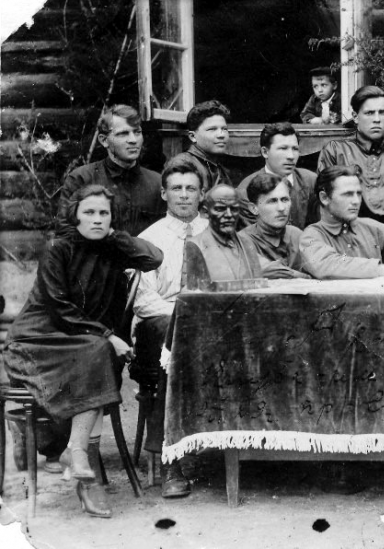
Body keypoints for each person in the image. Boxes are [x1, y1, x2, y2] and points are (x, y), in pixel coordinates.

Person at [3, 185, 163, 518]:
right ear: (75, 216)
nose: (97, 219)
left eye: (104, 213)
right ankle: (78, 457)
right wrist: (109, 335)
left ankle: (76, 454)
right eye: (89, 212)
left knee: (97, 353)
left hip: (82, 344)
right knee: (100, 350)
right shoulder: (58, 248)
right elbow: (59, 307)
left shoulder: (113, 248)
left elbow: (154, 258)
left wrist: (113, 235)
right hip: (38, 341)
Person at [132, 158, 208, 498]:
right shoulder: (148, 239)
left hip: (209, 320)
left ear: (202, 194)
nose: (184, 195)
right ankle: (169, 460)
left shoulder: (216, 233)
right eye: (176, 188)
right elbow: (143, 301)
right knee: (170, 334)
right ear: (164, 194)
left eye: (191, 188)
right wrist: (184, 316)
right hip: (164, 323)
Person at [318, 86, 384, 243]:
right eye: (369, 113)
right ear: (355, 117)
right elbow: (328, 206)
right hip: (345, 243)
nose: (377, 119)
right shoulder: (335, 150)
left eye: (382, 112)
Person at [57, 104, 165, 237]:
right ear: (104, 140)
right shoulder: (82, 179)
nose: (133, 140)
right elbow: (66, 232)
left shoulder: (157, 183)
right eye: (123, 134)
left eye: (137, 132)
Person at [299, 165, 384, 279]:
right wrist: (380, 269)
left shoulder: (378, 230)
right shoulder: (311, 237)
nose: (356, 201)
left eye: (358, 194)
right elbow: (326, 265)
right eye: (347, 194)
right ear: (324, 198)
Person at [237, 123, 318, 229]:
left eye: (295, 149)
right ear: (265, 152)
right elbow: (255, 236)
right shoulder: (245, 191)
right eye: (283, 148)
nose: (291, 156)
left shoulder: (311, 181)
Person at [182, 184, 264, 289]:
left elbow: (260, 287)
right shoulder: (196, 245)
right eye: (220, 209)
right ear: (206, 212)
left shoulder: (247, 243)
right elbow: (192, 293)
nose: (229, 215)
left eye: (234, 209)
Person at [239, 172, 310, 279]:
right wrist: (300, 276)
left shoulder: (297, 235)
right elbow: (263, 269)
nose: (281, 208)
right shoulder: (242, 241)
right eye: (272, 201)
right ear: (254, 208)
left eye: (285, 200)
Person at [169, 100, 232, 191]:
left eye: (224, 129)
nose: (221, 135)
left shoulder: (219, 168)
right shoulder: (183, 165)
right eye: (212, 129)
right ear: (193, 136)